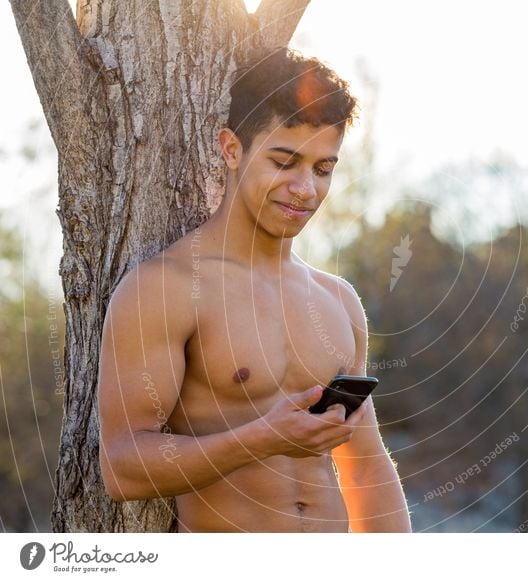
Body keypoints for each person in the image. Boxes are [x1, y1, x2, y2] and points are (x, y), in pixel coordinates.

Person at [97, 47, 412, 533]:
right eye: (284, 162)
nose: (306, 189)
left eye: (323, 169)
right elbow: (122, 467)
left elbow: (365, 467)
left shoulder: (338, 301)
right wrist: (262, 438)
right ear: (231, 148)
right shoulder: (165, 289)